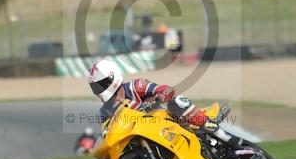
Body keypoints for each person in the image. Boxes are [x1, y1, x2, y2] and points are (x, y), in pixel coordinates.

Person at [87, 58, 242, 147]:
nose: (98, 89)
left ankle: (215, 130)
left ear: (112, 78)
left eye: (100, 84)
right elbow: (107, 133)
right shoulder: (104, 111)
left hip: (167, 122)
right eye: (95, 87)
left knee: (177, 102)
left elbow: (166, 89)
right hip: (144, 137)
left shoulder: (136, 86)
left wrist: (159, 97)